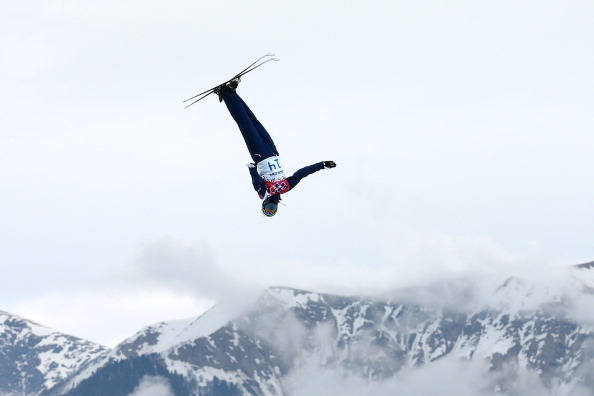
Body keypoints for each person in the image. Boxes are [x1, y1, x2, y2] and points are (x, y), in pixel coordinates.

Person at [213, 78, 337, 217]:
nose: (272, 206)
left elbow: (256, 181)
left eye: (269, 209)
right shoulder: (286, 188)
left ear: (264, 205)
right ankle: (233, 93)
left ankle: (225, 93)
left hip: (260, 155)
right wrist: (321, 165)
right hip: (273, 151)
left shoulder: (263, 192)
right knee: (255, 122)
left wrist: (252, 169)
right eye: (273, 209)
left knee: (245, 125)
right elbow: (301, 174)